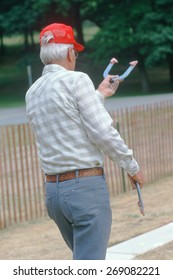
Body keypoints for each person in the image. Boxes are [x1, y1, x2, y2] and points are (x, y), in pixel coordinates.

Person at [25, 23, 144, 260]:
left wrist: (98, 95)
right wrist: (132, 166)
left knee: (83, 260)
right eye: (75, 53)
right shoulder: (77, 80)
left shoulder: (33, 92)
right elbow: (102, 131)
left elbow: (69, 118)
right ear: (70, 53)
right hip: (84, 190)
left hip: (54, 194)